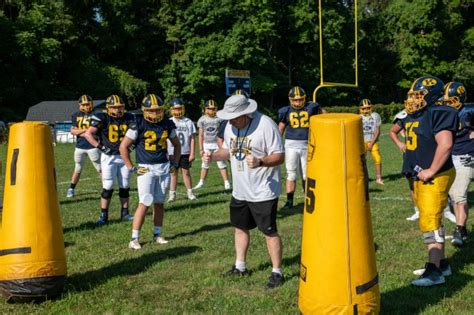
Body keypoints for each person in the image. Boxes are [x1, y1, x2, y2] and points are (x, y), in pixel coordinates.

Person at [203, 94, 286, 289]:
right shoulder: (231, 126)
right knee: (240, 227)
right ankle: (240, 267)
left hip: (263, 190)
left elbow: (279, 156)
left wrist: (261, 161)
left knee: (269, 231)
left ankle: (277, 272)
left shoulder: (266, 124)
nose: (230, 121)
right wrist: (213, 156)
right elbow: (229, 152)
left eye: (234, 116)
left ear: (246, 113)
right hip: (240, 190)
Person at [400, 76, 458, 287]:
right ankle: (442, 264)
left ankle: (434, 272)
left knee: (429, 220)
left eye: (418, 95)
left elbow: (445, 144)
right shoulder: (419, 113)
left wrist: (432, 169)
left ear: (432, 96)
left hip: (435, 174)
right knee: (431, 218)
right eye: (412, 95)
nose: (413, 100)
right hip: (422, 174)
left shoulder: (440, 111)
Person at [120, 94, 181, 250]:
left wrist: (175, 162)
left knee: (159, 203)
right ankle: (134, 238)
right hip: (146, 167)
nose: (155, 113)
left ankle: (157, 234)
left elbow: (177, 145)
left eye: (158, 110)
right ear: (145, 110)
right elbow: (123, 147)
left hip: (163, 167)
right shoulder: (138, 123)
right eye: (152, 111)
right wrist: (131, 167)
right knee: (145, 202)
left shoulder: (167, 124)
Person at [84, 94, 135, 225]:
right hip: (109, 157)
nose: (118, 110)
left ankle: (125, 213)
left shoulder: (129, 117)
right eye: (114, 107)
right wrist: (100, 147)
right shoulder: (102, 117)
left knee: (125, 186)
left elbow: (138, 135)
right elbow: (88, 134)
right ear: (108, 108)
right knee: (108, 187)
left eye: (120, 107)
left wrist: (131, 147)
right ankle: (103, 215)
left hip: (124, 157)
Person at [277, 86, 323, 209]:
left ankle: (308, 197)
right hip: (291, 145)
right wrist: (276, 143)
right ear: (290, 100)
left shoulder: (312, 107)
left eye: (300, 99)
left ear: (304, 99)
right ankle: (289, 201)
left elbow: (325, 116)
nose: (297, 102)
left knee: (306, 174)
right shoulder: (285, 111)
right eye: (295, 100)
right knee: (291, 174)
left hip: (307, 145)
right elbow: (280, 128)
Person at [443, 82, 473, 247]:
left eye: (451, 100)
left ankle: (460, 229)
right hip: (455, 156)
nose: (448, 104)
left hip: (467, 156)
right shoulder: (443, 113)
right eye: (446, 101)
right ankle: (462, 229)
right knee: (456, 196)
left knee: (459, 196)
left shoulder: (469, 111)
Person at [66, 95, 101, 198]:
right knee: (77, 168)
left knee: (99, 168)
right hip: (80, 147)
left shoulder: (97, 114)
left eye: (87, 104)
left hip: (93, 146)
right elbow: (72, 131)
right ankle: (71, 188)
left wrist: (80, 132)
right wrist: (87, 131)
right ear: (80, 105)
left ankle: (106, 188)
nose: (86, 106)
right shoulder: (75, 115)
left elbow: (95, 130)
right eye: (84, 104)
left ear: (91, 103)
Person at [389, 109, 420, 221]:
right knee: (412, 183)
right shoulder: (405, 114)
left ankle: (443, 209)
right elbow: (392, 131)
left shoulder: (429, 111)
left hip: (425, 153)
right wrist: (399, 143)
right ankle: (417, 210)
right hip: (410, 154)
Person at [194, 99, 231, 190]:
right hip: (207, 144)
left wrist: (222, 144)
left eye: (213, 108)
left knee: (221, 164)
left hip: (217, 144)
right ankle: (201, 182)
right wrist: (201, 148)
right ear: (205, 109)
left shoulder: (219, 118)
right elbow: (200, 135)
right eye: (209, 109)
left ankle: (226, 183)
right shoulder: (202, 119)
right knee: (205, 164)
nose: (211, 110)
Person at [167, 98, 197, 201]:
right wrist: (166, 152)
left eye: (179, 108)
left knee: (186, 172)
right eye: (175, 109)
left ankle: (190, 192)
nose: (178, 111)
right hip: (172, 152)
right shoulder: (169, 121)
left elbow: (192, 138)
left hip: (185, 151)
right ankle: (172, 194)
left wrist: (192, 153)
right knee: (173, 173)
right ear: (171, 110)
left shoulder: (188, 121)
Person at [360, 99, 384, 185]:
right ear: (360, 109)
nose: (366, 110)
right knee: (362, 161)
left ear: (371, 108)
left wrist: (372, 143)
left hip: (372, 141)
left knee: (378, 158)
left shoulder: (375, 116)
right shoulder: (358, 117)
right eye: (364, 108)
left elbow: (378, 131)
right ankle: (363, 178)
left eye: (368, 108)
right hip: (362, 142)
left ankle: (379, 178)